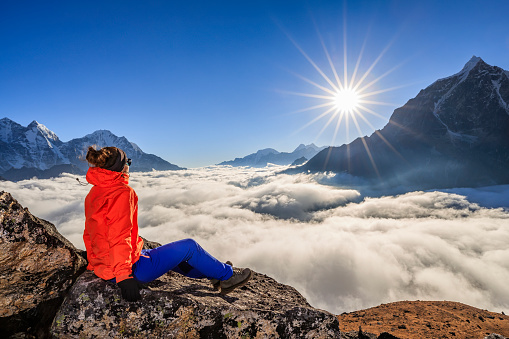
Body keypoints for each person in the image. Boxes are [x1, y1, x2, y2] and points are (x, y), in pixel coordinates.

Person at [83, 145, 252, 302]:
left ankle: (215, 273)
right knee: (189, 247)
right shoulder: (122, 192)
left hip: (106, 266)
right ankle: (227, 278)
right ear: (120, 167)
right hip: (131, 270)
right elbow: (120, 236)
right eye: (128, 161)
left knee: (174, 256)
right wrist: (124, 277)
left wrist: (94, 263)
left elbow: (89, 232)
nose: (129, 165)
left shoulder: (95, 192)